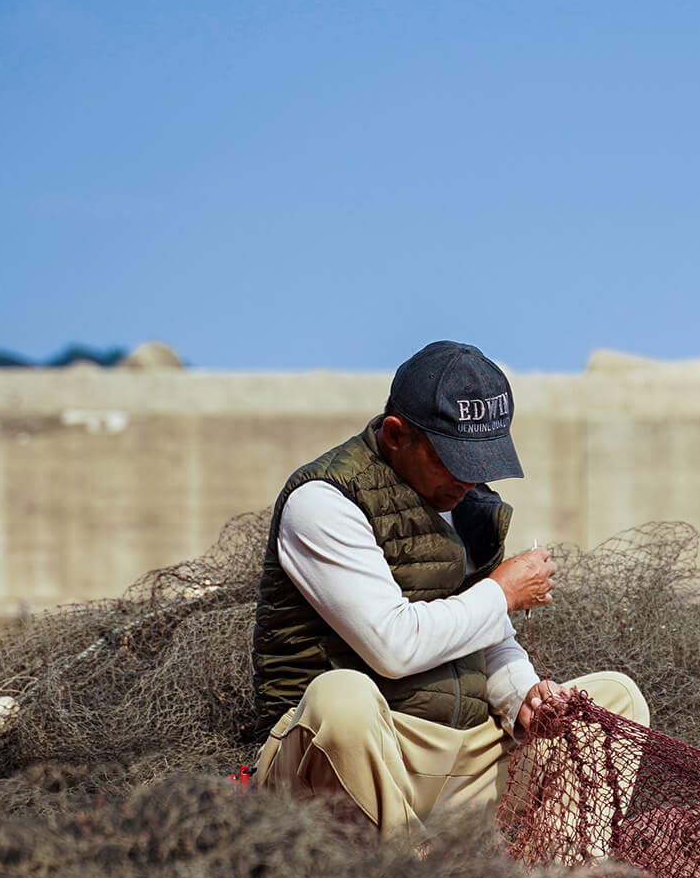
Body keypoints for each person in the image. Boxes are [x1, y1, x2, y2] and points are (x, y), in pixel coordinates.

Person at [251, 340, 649, 841]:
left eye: (482, 459)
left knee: (615, 700)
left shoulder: (467, 504)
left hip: (461, 763)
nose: (471, 477)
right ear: (397, 436)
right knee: (341, 700)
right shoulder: (323, 501)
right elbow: (393, 646)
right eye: (455, 458)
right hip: (357, 762)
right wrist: (501, 593)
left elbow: (490, 639)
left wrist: (522, 698)